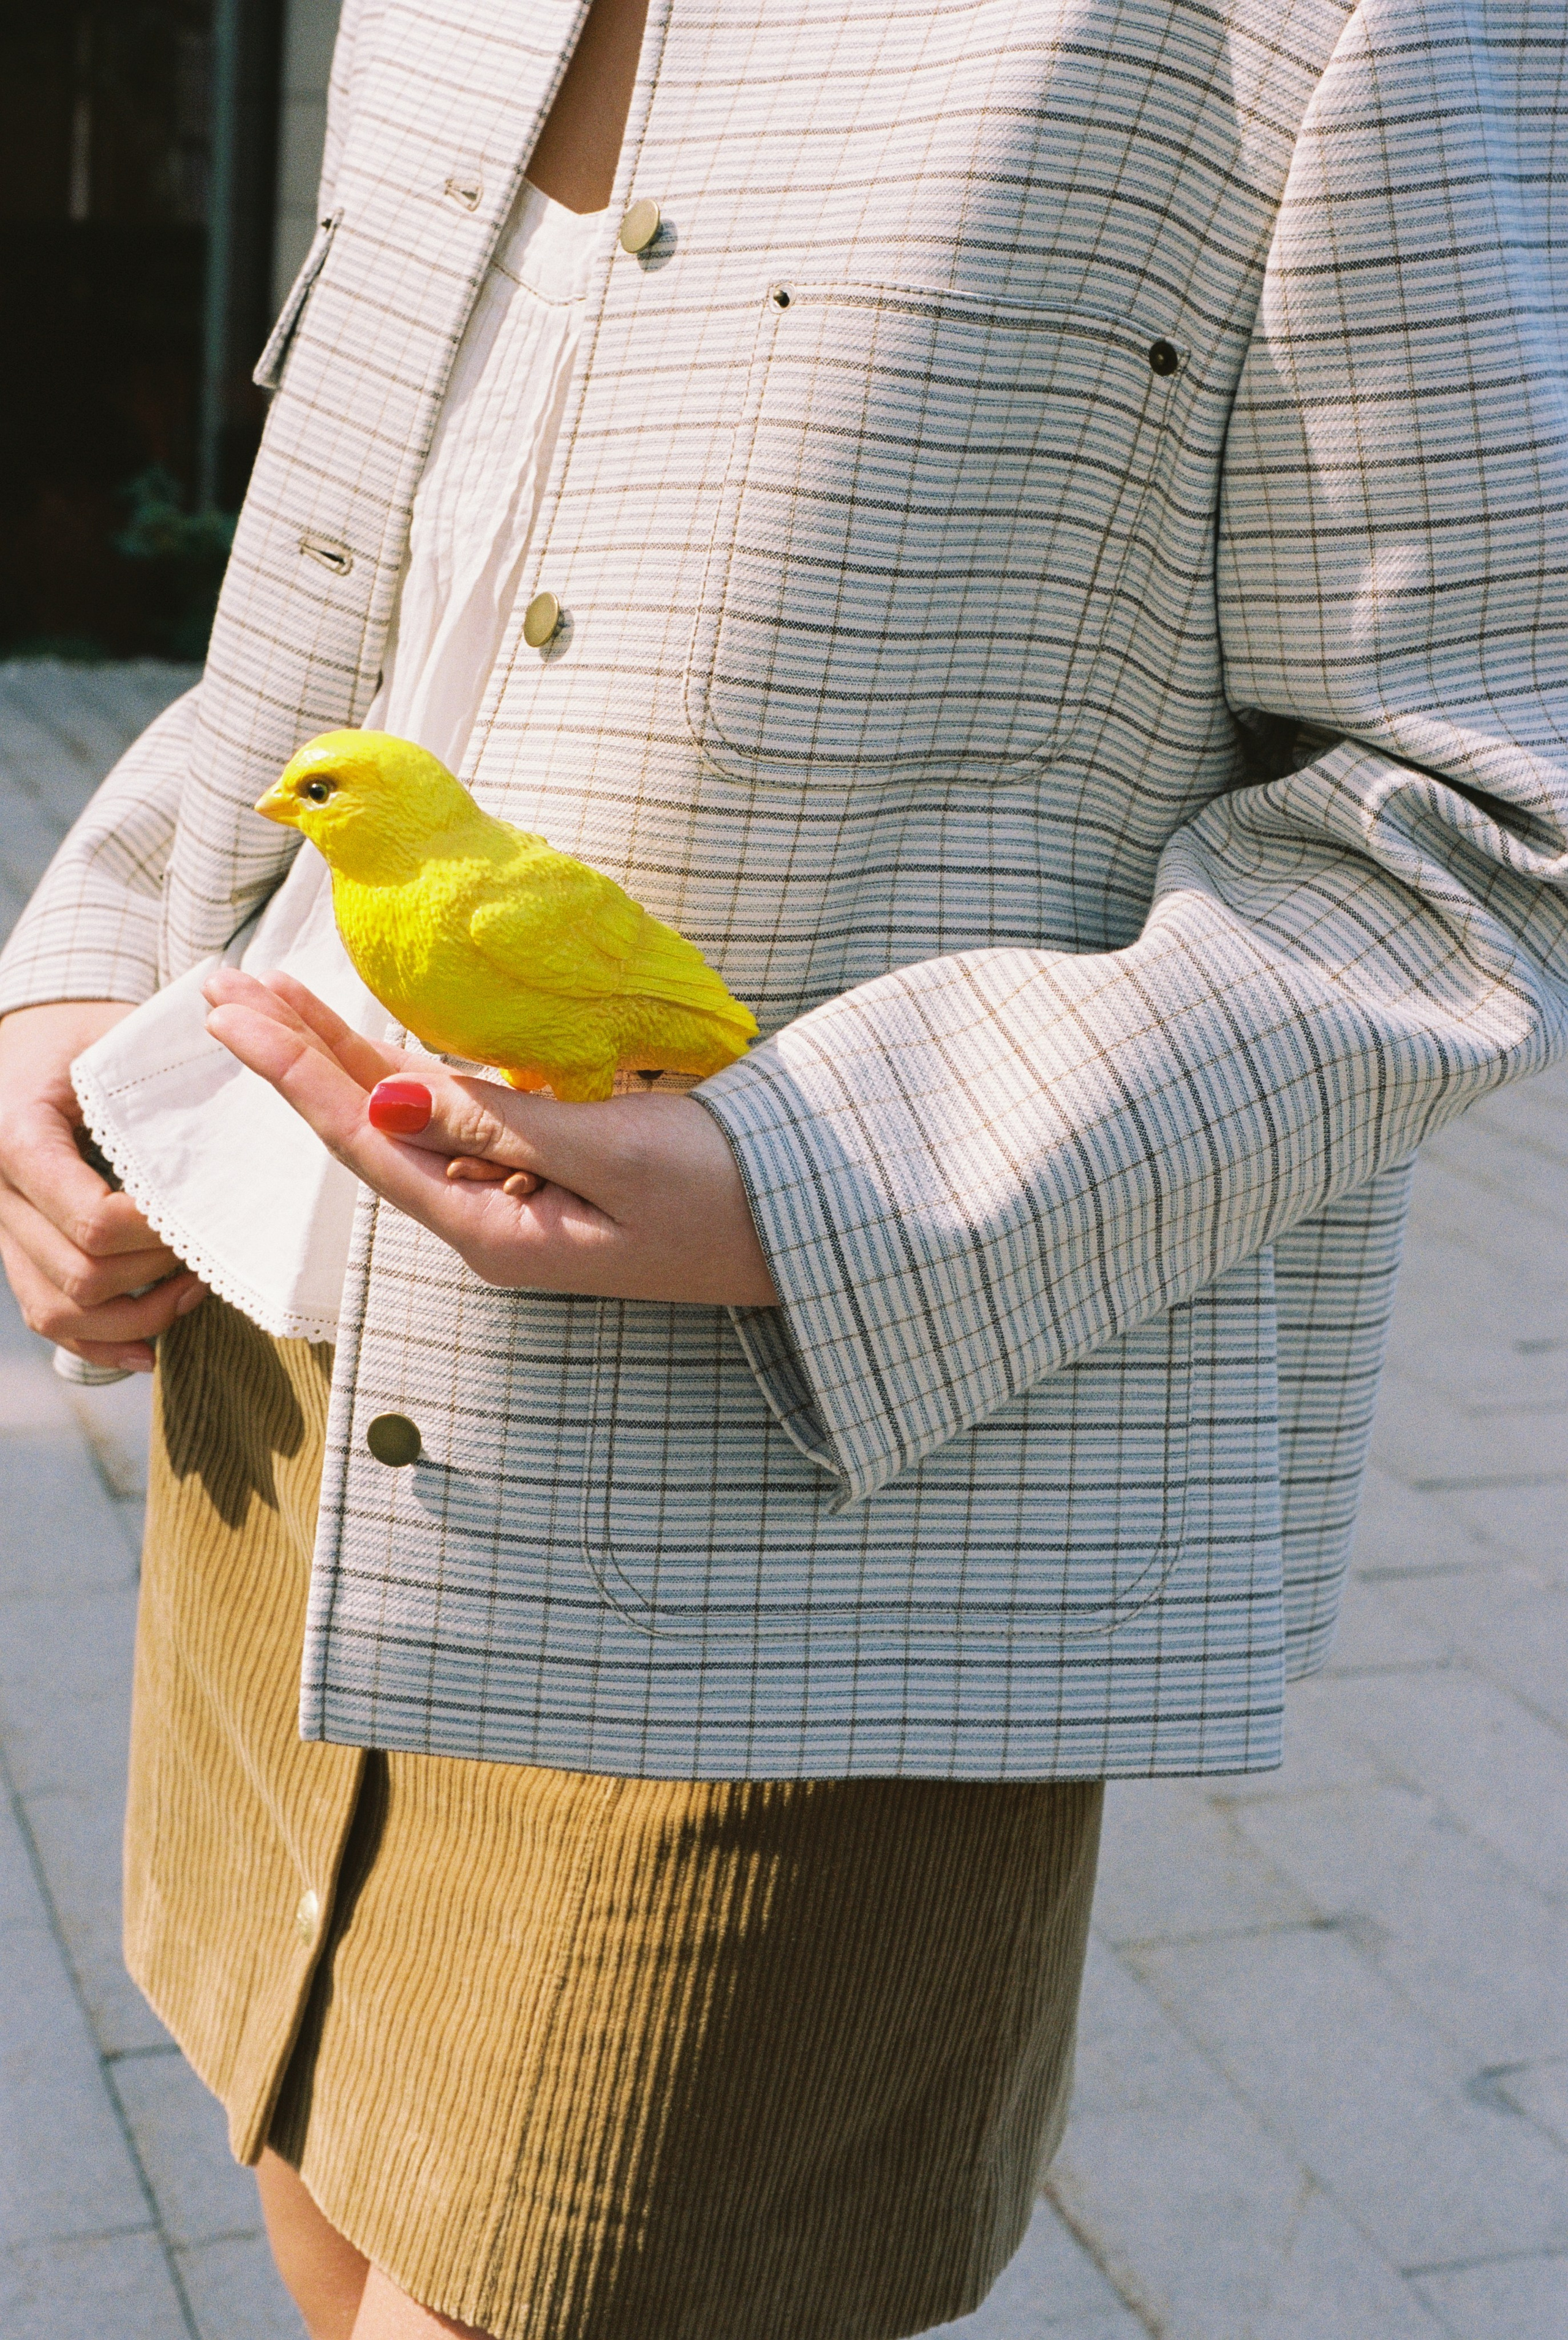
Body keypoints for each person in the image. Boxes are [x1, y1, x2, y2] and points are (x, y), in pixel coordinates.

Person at [2, 0, 1565, 2334]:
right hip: (275, 1382)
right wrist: (87, 970)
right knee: (307, 2212)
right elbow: (341, 575)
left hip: (807, 1524)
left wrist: (824, 1179)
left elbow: (1479, 818)